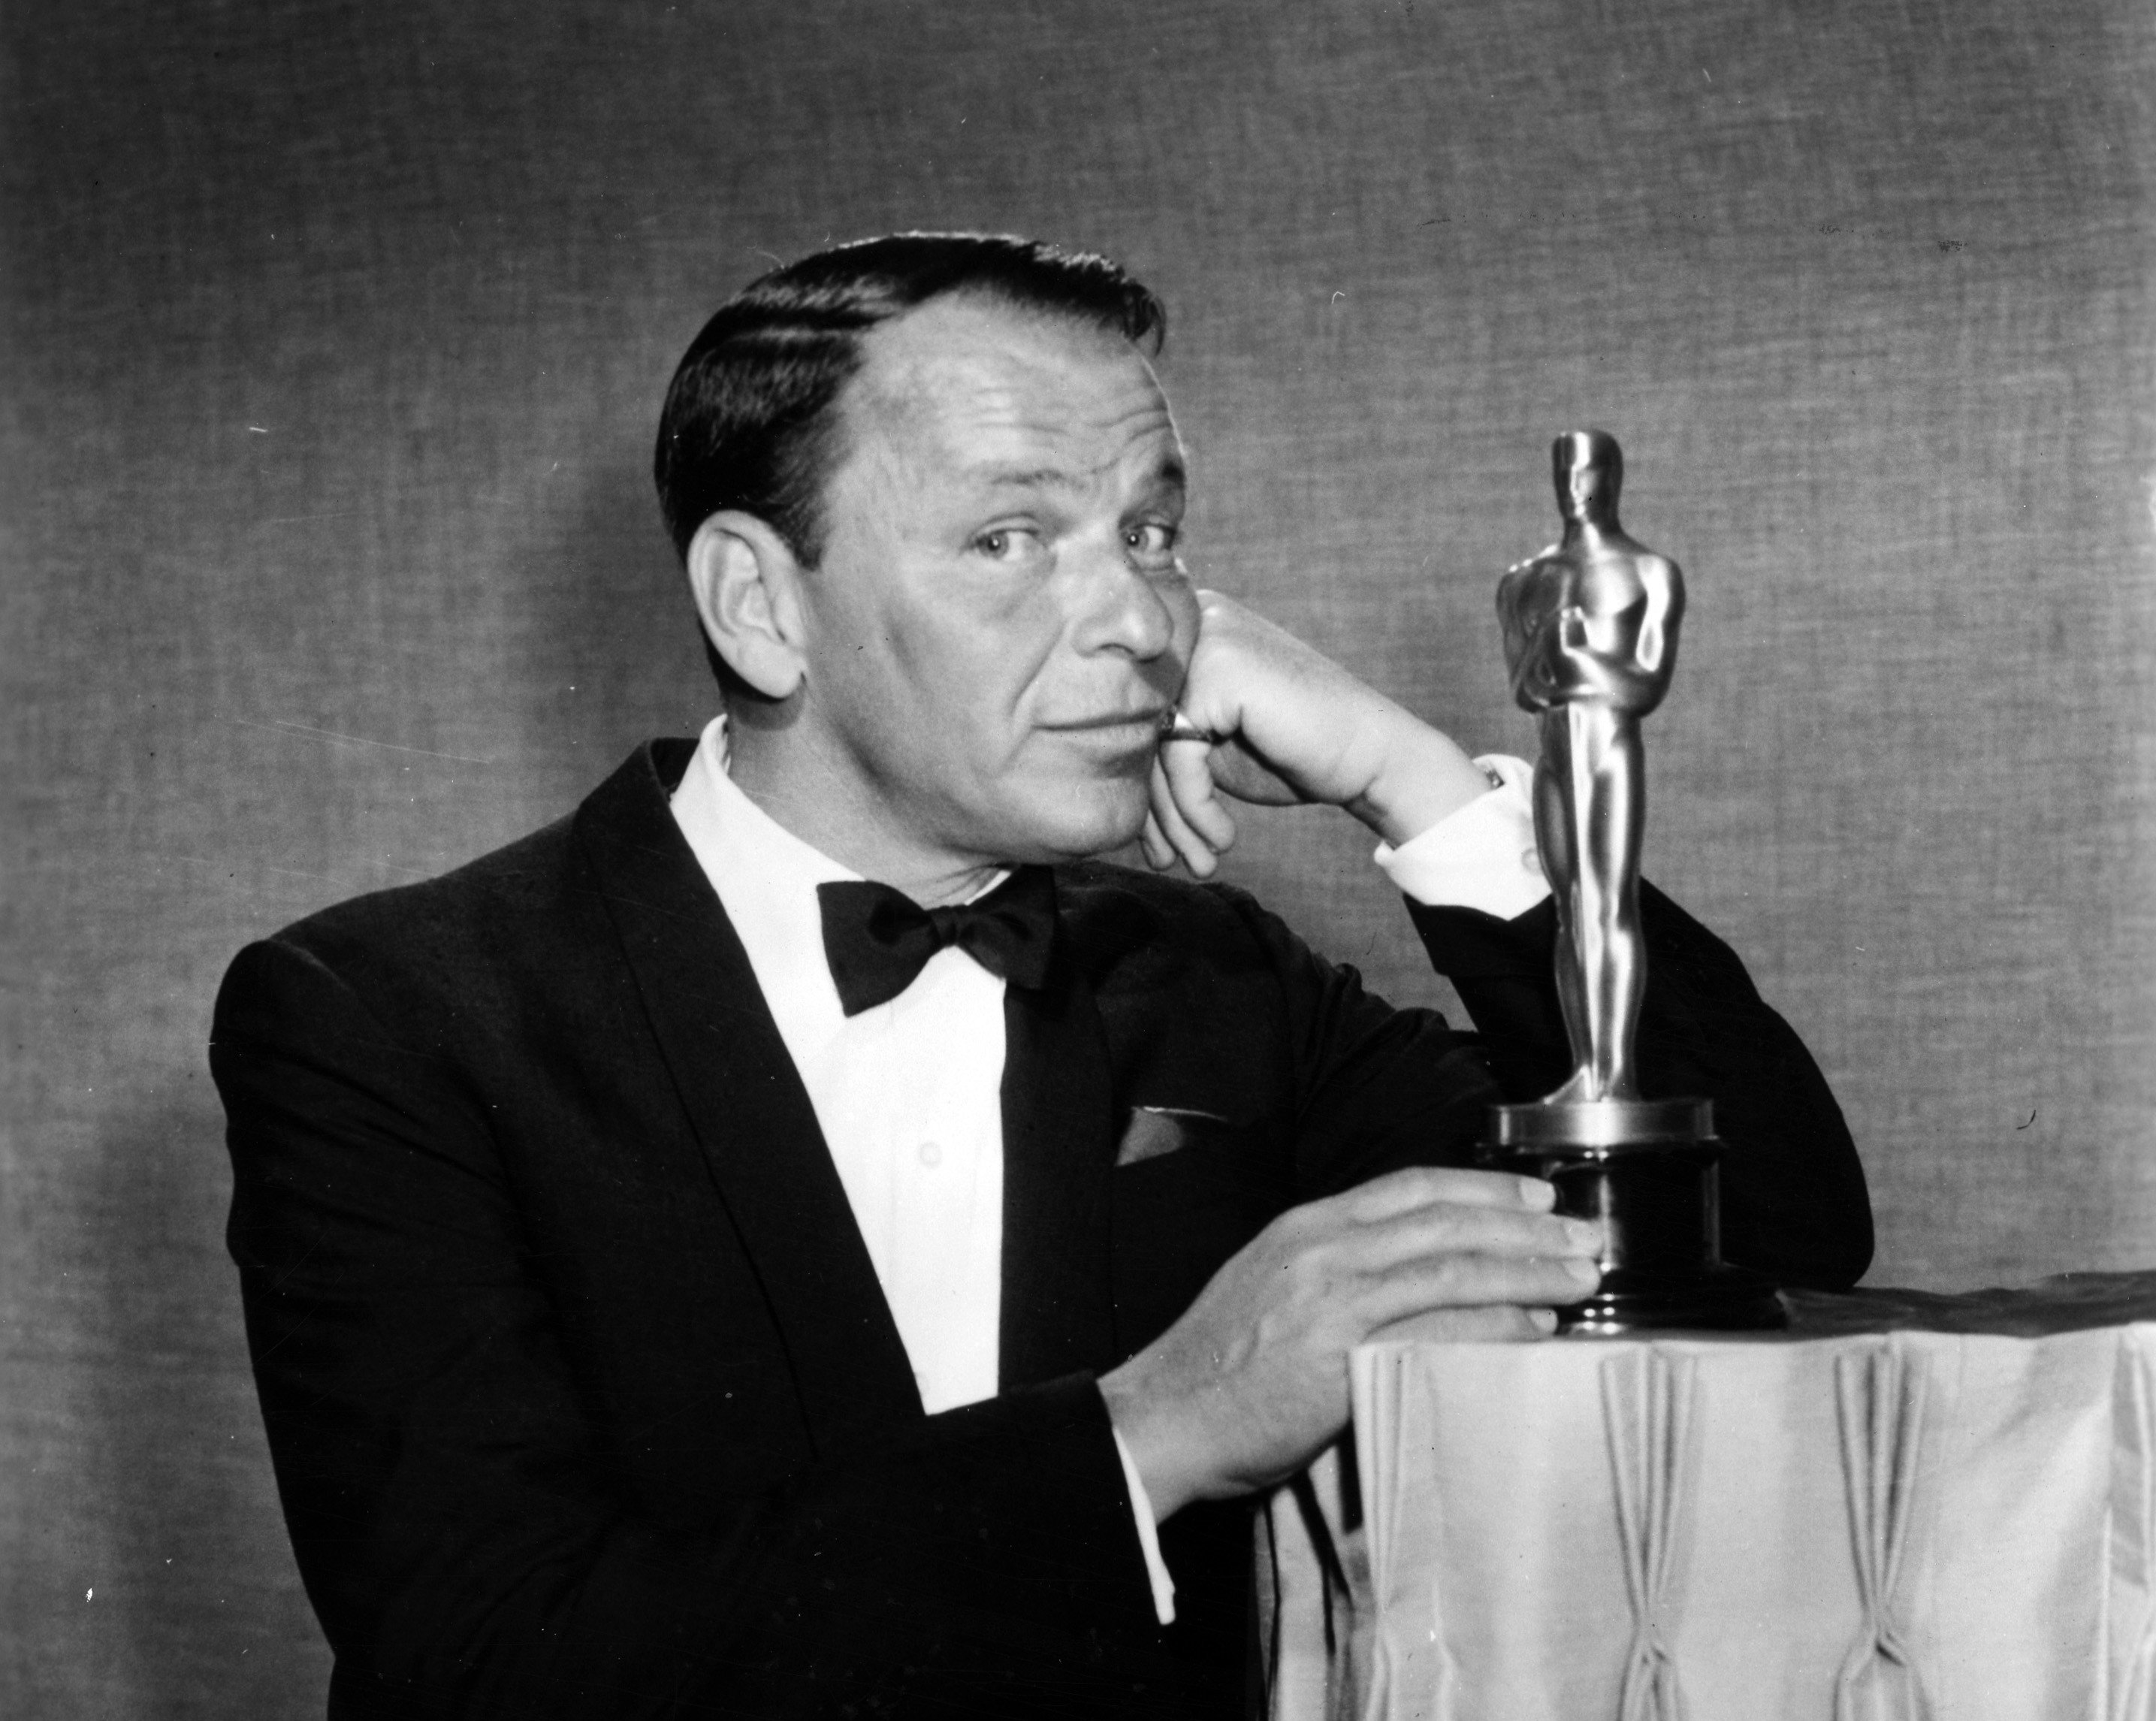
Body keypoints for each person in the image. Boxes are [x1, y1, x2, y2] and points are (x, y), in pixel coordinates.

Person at [211, 234, 1871, 1719]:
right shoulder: (391, 1017)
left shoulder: (1215, 978)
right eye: (1010, 536)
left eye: (1149, 531)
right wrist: (1149, 1434)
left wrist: (1409, 780)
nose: (1142, 623)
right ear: (757, 605)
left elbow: (1771, 1238)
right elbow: (482, 1659)